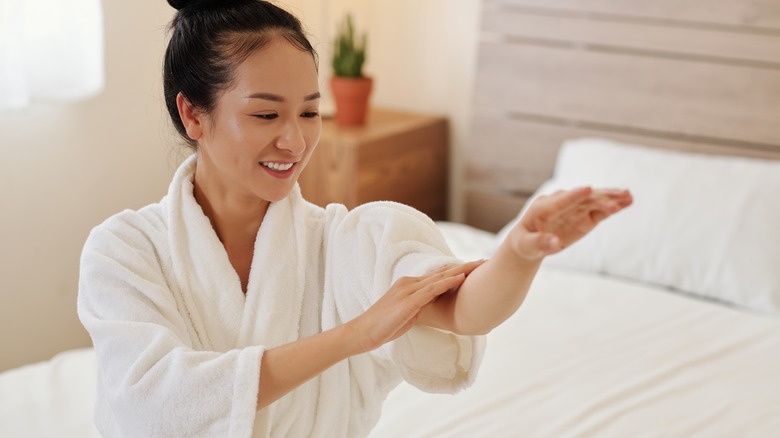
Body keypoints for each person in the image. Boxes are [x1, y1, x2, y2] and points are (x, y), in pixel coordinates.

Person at [77, 0, 633, 436]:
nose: (294, 140)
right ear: (192, 113)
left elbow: (462, 309)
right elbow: (155, 409)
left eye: (311, 112)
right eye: (267, 113)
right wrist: (355, 335)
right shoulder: (124, 252)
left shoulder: (347, 241)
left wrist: (517, 253)